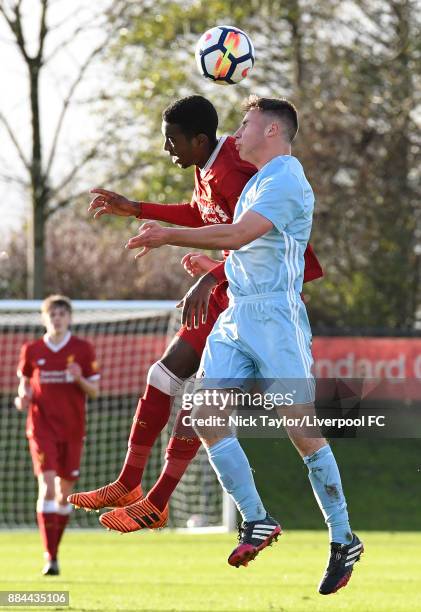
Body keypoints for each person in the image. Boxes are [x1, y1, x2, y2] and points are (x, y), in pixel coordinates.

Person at [118, 96, 363, 595]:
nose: (237, 131)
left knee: (302, 432)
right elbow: (242, 246)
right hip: (237, 315)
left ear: (272, 131)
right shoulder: (255, 182)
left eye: (245, 123)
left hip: (276, 316)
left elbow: (242, 231)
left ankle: (343, 537)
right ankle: (257, 519)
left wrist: (170, 236)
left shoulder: (287, 179)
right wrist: (212, 269)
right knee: (205, 413)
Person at [68, 95, 323, 533]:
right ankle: (132, 486)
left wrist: (212, 276)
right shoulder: (208, 169)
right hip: (229, 289)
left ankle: (156, 500)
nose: (168, 149)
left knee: (202, 402)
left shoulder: (236, 168)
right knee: (164, 379)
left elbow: (259, 238)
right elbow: (199, 214)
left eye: (173, 141)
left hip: (258, 297)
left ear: (199, 139)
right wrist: (139, 209)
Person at [15, 295, 100, 576]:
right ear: (44, 318)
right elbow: (24, 387)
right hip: (41, 428)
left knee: (64, 496)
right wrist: (22, 398)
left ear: (69, 318)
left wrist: (78, 378)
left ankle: (54, 552)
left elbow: (95, 391)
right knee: (48, 488)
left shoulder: (83, 349)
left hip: (73, 429)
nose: (57, 318)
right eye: (52, 314)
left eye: (62, 314)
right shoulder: (32, 349)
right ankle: (49, 556)